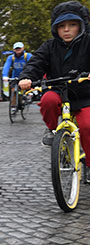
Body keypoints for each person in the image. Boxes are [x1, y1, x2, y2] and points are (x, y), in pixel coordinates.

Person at [19, 0, 90, 158]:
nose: (66, 30)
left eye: (72, 25)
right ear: (55, 28)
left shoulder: (88, 42)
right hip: (58, 91)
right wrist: (26, 78)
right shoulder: (49, 46)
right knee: (47, 101)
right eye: (61, 26)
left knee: (87, 126)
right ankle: (52, 130)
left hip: (85, 96)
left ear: (81, 25)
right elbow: (36, 63)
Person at [3, 42, 33, 106]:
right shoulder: (11, 58)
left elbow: (32, 65)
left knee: (28, 86)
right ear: (13, 49)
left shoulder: (28, 56)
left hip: (26, 76)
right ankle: (13, 106)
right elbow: (6, 66)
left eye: (19, 48)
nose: (18, 50)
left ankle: (29, 94)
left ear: (23, 48)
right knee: (13, 90)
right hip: (15, 77)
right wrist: (5, 76)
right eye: (16, 48)